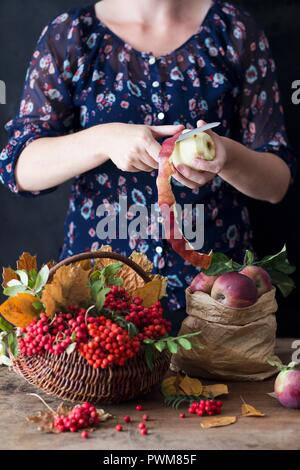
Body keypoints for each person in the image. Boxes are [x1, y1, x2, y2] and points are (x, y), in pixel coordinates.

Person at [0, 0, 297, 318]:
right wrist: (104, 139)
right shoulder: (71, 34)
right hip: (97, 305)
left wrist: (227, 157)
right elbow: (18, 167)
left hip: (215, 306)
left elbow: (277, 183)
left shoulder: (233, 31)